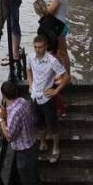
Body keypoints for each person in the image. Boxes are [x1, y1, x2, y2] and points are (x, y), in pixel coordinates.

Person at [0, 80, 48, 185]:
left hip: (24, 152)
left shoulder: (13, 113)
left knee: (29, 182)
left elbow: (9, 136)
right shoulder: (24, 102)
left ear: (4, 95)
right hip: (32, 144)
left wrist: (1, 119)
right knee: (34, 177)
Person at [27, 35, 70, 163]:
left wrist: (56, 90)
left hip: (47, 97)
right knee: (37, 121)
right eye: (35, 47)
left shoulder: (52, 61)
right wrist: (30, 84)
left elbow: (66, 77)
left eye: (40, 47)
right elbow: (28, 70)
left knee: (52, 124)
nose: (37, 50)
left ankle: (56, 148)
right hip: (35, 95)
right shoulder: (30, 57)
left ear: (45, 47)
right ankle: (43, 142)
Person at [33, 0, 67, 118]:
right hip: (52, 52)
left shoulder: (44, 24)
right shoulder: (51, 18)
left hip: (48, 54)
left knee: (49, 84)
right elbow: (61, 27)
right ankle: (60, 107)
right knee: (51, 82)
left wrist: (49, 50)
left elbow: (52, 37)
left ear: (36, 10)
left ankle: (59, 108)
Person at [47, 0, 70, 73]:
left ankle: (66, 75)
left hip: (59, 26)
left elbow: (50, 11)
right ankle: (63, 74)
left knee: (62, 52)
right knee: (61, 52)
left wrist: (42, 8)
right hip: (61, 24)